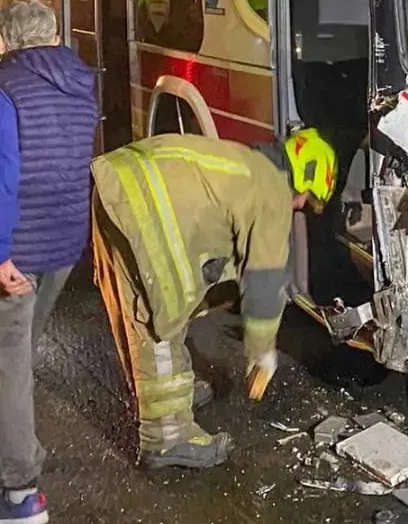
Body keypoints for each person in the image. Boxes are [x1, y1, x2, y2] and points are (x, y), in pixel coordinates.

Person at [91, 128, 337, 470]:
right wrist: (263, 352)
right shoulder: (274, 192)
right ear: (303, 178)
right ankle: (166, 437)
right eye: (306, 199)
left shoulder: (248, 164)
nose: (300, 207)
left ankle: (162, 398)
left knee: (136, 305)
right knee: (160, 310)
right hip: (144, 207)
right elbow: (265, 283)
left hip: (118, 185)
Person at [0, 0, 99, 524]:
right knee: (18, 354)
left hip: (17, 249)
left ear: (6, 41)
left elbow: (5, 174)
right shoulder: (82, 84)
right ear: (55, 33)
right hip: (63, 243)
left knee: (8, 362)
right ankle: (14, 447)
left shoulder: (6, 87)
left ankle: (20, 492)